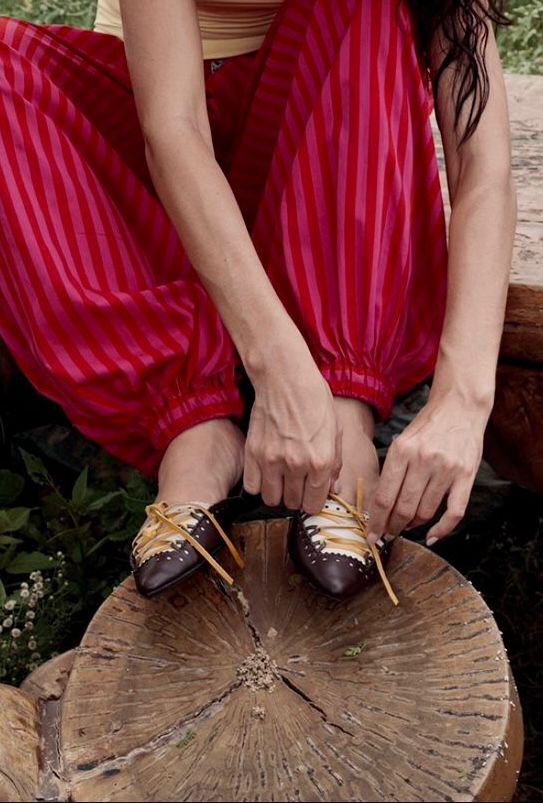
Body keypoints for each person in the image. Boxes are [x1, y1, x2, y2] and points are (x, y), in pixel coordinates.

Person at [0, 0, 516, 599]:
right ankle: (194, 429)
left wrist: (463, 400)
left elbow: (482, 162)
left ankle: (346, 409)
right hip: (165, 144)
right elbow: (173, 127)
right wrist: (278, 371)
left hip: (322, 153)